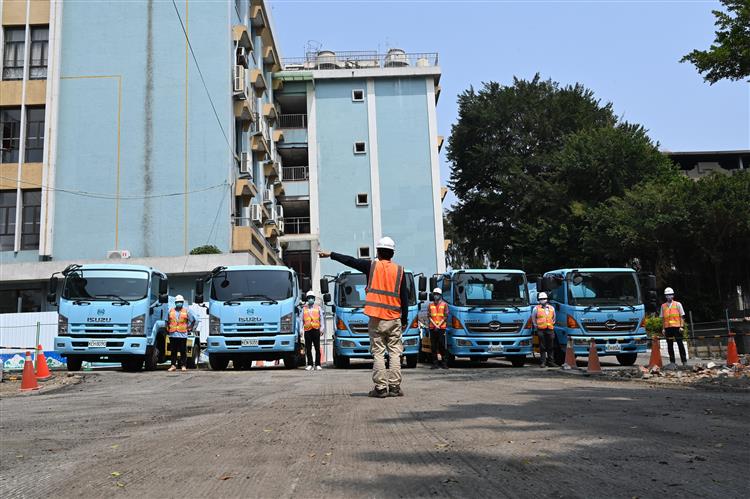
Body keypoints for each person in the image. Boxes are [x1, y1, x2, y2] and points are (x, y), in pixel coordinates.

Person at [319, 236, 409, 398]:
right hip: (394, 317)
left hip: (376, 318)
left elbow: (350, 261)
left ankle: (381, 388)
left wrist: (331, 254)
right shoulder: (400, 270)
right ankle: (395, 387)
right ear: (392, 254)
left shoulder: (371, 266)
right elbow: (404, 297)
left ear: (378, 252)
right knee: (395, 352)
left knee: (379, 352)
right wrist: (404, 320)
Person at [167, 295, 196, 372]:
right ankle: (173, 365)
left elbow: (193, 320)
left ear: (182, 303)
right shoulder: (171, 311)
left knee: (183, 351)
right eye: (177, 302)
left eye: (180, 302)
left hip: (182, 335)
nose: (179, 303)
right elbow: (167, 321)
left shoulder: (186, 311)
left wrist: (190, 328)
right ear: (175, 303)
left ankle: (183, 365)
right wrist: (168, 329)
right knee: (173, 351)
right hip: (173, 334)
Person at [660, 287, 687, 367]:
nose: (669, 297)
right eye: (667, 295)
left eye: (670, 295)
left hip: (677, 327)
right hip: (668, 328)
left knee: (680, 344)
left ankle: (684, 361)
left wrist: (681, 326)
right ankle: (672, 362)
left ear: (673, 295)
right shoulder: (663, 306)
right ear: (665, 296)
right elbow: (663, 318)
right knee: (669, 345)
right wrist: (663, 328)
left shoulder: (678, 304)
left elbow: (682, 316)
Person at [532, 292, 557, 368]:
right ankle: (543, 362)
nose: (543, 300)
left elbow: (554, 318)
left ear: (547, 299)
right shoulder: (536, 309)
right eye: (541, 299)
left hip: (550, 329)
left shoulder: (551, 308)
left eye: (544, 299)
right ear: (539, 300)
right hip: (541, 330)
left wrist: (551, 324)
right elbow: (533, 319)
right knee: (542, 347)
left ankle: (551, 362)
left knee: (551, 346)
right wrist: (537, 327)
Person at [302, 290, 325, 371]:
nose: (310, 299)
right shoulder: (304, 308)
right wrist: (301, 330)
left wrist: (322, 329)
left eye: (312, 298)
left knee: (317, 348)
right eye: (309, 298)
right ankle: (310, 364)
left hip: (316, 330)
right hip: (307, 330)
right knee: (308, 348)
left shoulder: (318, 307)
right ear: (307, 299)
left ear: (314, 299)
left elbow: (321, 318)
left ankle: (318, 364)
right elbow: (301, 320)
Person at [428, 287, 448, 369]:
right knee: (433, 346)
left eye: (437, 294)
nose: (435, 296)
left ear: (440, 295)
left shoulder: (444, 305)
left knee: (442, 345)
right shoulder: (430, 305)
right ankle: (435, 363)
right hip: (433, 328)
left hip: (441, 328)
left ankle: (444, 363)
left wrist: (439, 325)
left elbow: (445, 316)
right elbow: (429, 316)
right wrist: (435, 325)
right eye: (434, 294)